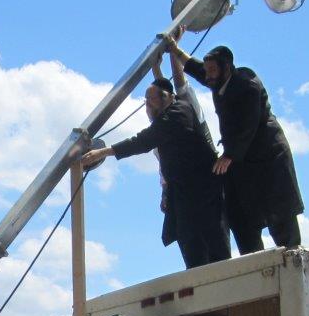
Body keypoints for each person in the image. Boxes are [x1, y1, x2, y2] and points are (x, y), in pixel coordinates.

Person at [81, 65, 229, 270]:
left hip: (204, 195)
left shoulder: (179, 113)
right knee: (192, 251)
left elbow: (144, 140)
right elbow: (163, 92)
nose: (147, 106)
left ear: (167, 98)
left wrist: (103, 152)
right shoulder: (169, 114)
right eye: (146, 101)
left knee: (213, 252)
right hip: (185, 195)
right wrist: (156, 68)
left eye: (151, 100)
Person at [173, 39, 304, 254]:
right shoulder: (217, 80)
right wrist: (175, 50)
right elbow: (197, 69)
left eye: (213, 70)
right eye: (208, 70)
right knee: (241, 215)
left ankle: (292, 256)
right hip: (242, 160)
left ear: (226, 68)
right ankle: (253, 260)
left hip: (268, 157)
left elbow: (248, 124)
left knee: (279, 213)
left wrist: (230, 154)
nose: (208, 75)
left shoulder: (246, 85)